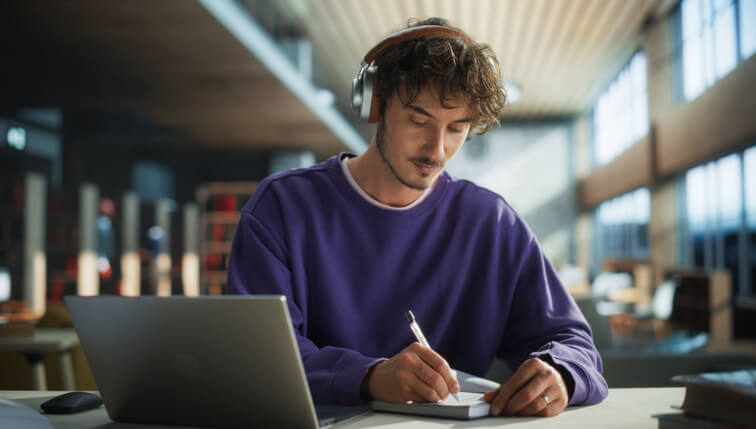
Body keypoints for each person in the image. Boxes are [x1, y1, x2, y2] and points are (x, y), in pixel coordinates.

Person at [227, 17, 608, 417]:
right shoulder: (283, 206)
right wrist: (368, 376)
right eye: (418, 120)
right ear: (376, 103)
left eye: (457, 128)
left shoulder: (490, 223)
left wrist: (560, 374)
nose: (437, 149)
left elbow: (574, 342)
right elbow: (257, 358)